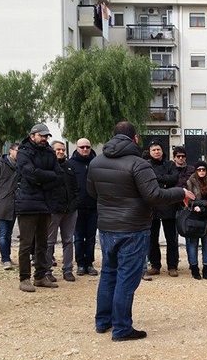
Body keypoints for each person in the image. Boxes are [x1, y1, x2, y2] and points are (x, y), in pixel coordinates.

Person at [87, 122, 192, 341]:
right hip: (132, 228)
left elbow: (92, 192)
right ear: (135, 138)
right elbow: (154, 195)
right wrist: (180, 192)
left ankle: (103, 321)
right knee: (126, 278)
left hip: (107, 227)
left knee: (108, 274)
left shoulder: (96, 162)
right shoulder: (139, 164)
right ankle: (122, 328)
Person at [15, 123, 61, 292]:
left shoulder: (49, 152)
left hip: (45, 203)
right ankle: (24, 278)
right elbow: (30, 174)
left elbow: (58, 175)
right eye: (41, 135)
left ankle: (40, 276)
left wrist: (43, 178)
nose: (44, 138)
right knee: (26, 244)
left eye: (46, 136)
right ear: (32, 136)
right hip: (27, 203)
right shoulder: (23, 152)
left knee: (43, 243)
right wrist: (47, 177)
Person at [45, 141, 80, 282]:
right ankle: (47, 270)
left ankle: (68, 269)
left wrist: (75, 203)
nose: (61, 152)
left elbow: (76, 187)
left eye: (63, 149)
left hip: (70, 210)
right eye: (58, 149)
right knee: (49, 242)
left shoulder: (69, 166)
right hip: (53, 210)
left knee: (68, 240)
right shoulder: (47, 167)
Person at [146, 141, 179, 278]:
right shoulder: (146, 165)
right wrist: (164, 180)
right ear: (150, 152)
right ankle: (155, 265)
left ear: (162, 150)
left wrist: (157, 178)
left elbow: (174, 179)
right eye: (153, 150)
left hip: (168, 205)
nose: (156, 152)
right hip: (152, 206)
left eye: (158, 149)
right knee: (152, 239)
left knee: (171, 238)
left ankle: (172, 266)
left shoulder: (170, 164)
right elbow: (146, 181)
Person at [69, 138, 98, 276]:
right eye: (82, 147)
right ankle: (80, 263)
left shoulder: (96, 163)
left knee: (91, 237)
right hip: (78, 207)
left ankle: (90, 263)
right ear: (77, 148)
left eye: (87, 147)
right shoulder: (70, 164)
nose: (85, 149)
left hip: (93, 206)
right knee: (79, 237)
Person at [185, 160, 207, 280]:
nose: (201, 171)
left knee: (206, 243)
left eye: (203, 169)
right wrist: (202, 204)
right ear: (196, 171)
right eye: (199, 169)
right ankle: (194, 268)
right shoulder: (190, 182)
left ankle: (206, 268)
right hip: (195, 216)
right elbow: (189, 200)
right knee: (193, 244)